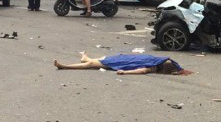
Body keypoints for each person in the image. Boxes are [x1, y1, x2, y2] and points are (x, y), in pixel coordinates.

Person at [53, 53, 193, 75]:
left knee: (91, 63)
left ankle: (65, 66)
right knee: (93, 62)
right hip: (122, 60)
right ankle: (84, 57)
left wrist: (125, 72)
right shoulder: (153, 64)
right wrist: (126, 72)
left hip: (121, 60)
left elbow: (141, 71)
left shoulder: (153, 63)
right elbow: (141, 70)